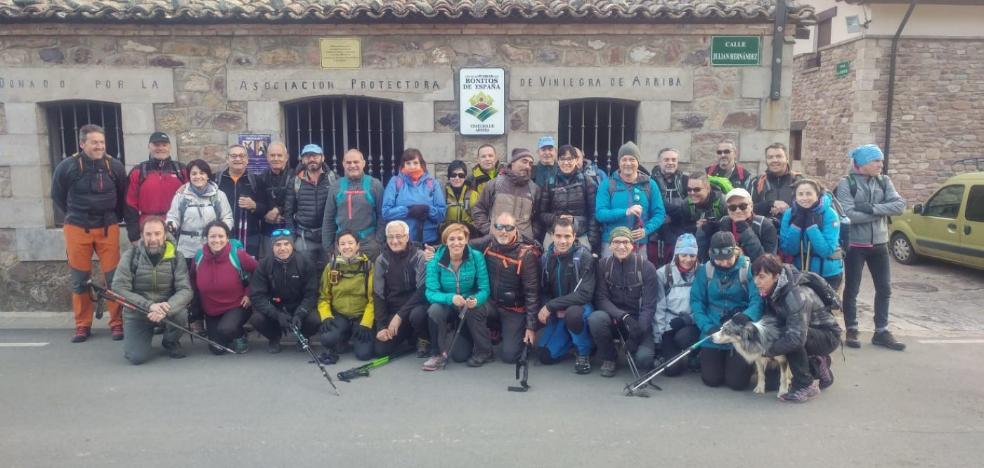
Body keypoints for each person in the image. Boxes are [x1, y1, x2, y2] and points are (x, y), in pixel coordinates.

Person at [50, 124, 128, 342]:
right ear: (82, 143)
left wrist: (115, 217)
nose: (99, 146)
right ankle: (82, 324)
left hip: (107, 227)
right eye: (94, 142)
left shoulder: (115, 166)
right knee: (80, 279)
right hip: (77, 227)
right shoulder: (67, 166)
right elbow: (57, 195)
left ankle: (117, 323)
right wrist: (75, 214)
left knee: (114, 278)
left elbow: (123, 196)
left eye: (102, 142)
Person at [835, 144, 907, 351]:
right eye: (876, 161)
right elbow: (848, 214)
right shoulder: (846, 183)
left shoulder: (885, 181)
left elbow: (900, 205)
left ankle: (881, 331)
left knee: (884, 288)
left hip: (880, 243)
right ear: (862, 163)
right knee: (852, 289)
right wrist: (881, 212)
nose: (880, 165)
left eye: (881, 161)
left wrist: (872, 208)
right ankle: (852, 329)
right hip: (855, 245)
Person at [752, 254, 842, 403]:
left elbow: (796, 338)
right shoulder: (775, 288)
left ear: (775, 276)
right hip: (809, 331)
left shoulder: (794, 295)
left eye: (762, 277)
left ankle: (805, 385)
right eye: (755, 276)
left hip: (827, 335)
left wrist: (765, 350)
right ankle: (819, 364)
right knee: (787, 336)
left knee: (791, 338)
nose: (756, 282)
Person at [111, 216, 193, 364]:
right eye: (148, 234)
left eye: (157, 233)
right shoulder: (130, 256)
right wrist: (149, 306)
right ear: (142, 235)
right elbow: (118, 287)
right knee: (136, 358)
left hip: (166, 309)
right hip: (138, 311)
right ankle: (144, 334)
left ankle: (170, 341)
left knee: (181, 313)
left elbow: (185, 290)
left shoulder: (176, 256)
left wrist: (166, 308)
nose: (153, 238)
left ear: (165, 235)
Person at [691, 231, 763, 390]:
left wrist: (747, 315)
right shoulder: (705, 270)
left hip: (739, 329)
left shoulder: (747, 269)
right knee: (712, 380)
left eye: (728, 259)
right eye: (719, 260)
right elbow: (696, 302)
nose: (723, 263)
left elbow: (757, 299)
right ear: (711, 254)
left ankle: (747, 365)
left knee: (737, 384)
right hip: (713, 327)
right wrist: (707, 327)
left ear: (735, 251)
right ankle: (709, 357)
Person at [466, 212, 540, 366]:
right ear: (493, 228)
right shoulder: (488, 242)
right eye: (499, 226)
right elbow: (461, 245)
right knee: (472, 307)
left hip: (514, 310)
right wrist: (434, 250)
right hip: (491, 303)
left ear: (516, 229)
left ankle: (505, 333)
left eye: (508, 227)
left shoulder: (526, 254)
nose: (503, 231)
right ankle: (484, 351)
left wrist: (530, 327)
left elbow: (532, 293)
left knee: (510, 357)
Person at [590, 227, 659, 377]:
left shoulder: (647, 267)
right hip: (614, 317)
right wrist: (622, 316)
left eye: (625, 242)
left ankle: (642, 351)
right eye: (616, 242)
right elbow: (601, 298)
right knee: (595, 319)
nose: (621, 246)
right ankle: (609, 357)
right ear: (610, 245)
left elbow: (649, 305)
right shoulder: (603, 265)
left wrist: (637, 332)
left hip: (638, 321)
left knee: (644, 360)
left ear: (633, 244)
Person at [423, 223, 490, 371]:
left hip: (467, 306)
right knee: (434, 310)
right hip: (448, 304)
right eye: (451, 239)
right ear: (445, 241)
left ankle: (477, 345)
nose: (456, 243)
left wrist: (476, 299)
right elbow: (430, 292)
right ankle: (437, 352)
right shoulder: (435, 260)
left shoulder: (477, 257)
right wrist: (451, 298)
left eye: (460, 238)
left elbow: (484, 289)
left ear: (466, 240)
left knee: (460, 356)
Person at [536, 218, 596, 373]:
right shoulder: (546, 257)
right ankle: (574, 341)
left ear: (574, 236)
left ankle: (584, 352)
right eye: (559, 236)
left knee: (573, 315)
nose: (563, 241)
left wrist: (552, 305)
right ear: (552, 236)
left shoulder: (584, 257)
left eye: (567, 236)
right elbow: (543, 290)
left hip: (579, 309)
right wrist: (551, 307)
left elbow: (585, 294)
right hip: (558, 312)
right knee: (544, 355)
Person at [191, 220, 259, 354]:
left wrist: (249, 293)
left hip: (237, 306)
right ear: (207, 238)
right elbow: (192, 279)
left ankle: (240, 335)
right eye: (212, 236)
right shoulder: (199, 256)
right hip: (211, 310)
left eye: (221, 236)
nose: (217, 240)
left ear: (227, 238)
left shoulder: (237, 254)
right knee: (217, 350)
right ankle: (229, 333)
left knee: (226, 328)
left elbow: (259, 271)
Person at [248, 229, 320, 353]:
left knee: (316, 319)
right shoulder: (264, 265)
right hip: (276, 308)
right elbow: (257, 296)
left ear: (292, 245)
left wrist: (300, 313)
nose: (282, 248)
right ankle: (274, 337)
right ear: (272, 247)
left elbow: (312, 293)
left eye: (286, 244)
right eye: (278, 245)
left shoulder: (305, 262)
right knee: (256, 319)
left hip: (299, 306)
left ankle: (304, 336)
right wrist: (276, 314)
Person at [594, 141, 666, 260]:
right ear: (619, 162)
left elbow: (660, 214)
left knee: (637, 277)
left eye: (632, 159)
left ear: (638, 162)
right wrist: (625, 211)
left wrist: (646, 230)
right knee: (609, 276)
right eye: (624, 159)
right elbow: (600, 214)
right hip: (612, 243)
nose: (628, 163)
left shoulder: (649, 184)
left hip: (638, 243)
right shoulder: (607, 184)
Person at [373, 221, 433, 358]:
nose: (394, 241)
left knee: (417, 316)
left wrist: (399, 316)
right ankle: (408, 335)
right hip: (393, 310)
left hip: (415, 308)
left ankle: (423, 338)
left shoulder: (419, 256)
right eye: (390, 237)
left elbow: (421, 291)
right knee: (381, 350)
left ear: (407, 237)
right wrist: (381, 326)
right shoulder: (381, 260)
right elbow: (378, 294)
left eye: (399, 236)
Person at [317, 231, 376, 362]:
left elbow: (373, 299)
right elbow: (323, 297)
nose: (346, 247)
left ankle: (354, 335)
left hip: (361, 315)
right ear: (338, 247)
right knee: (327, 339)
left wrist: (366, 322)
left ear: (357, 246)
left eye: (350, 243)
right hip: (340, 314)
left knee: (364, 355)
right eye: (342, 244)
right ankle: (344, 336)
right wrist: (326, 316)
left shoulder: (368, 267)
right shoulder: (331, 266)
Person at [779, 179, 844, 289]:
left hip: (827, 274)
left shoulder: (830, 214)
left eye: (809, 194)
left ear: (818, 195)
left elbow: (826, 251)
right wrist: (796, 225)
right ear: (795, 196)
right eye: (800, 194)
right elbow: (788, 249)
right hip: (799, 273)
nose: (804, 198)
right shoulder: (790, 214)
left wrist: (811, 227)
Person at [124, 132, 187, 243]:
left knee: (176, 260)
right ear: (149, 146)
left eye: (164, 145)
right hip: (148, 227)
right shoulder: (138, 172)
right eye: (156, 145)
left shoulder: (182, 170)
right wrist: (133, 234)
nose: (160, 148)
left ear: (170, 147)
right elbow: (130, 205)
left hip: (177, 226)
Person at [652, 234, 701, 376]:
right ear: (676, 253)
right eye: (684, 254)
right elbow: (659, 307)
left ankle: (694, 354)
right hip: (669, 323)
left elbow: (704, 304)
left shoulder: (702, 272)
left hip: (692, 323)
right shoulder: (663, 273)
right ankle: (670, 354)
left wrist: (688, 319)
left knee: (683, 337)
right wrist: (658, 337)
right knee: (671, 371)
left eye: (692, 255)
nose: (688, 259)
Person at [322, 148, 384, 261]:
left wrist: (378, 241)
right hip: (343, 245)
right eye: (348, 163)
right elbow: (328, 218)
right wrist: (328, 247)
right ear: (343, 164)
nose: (352, 165)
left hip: (368, 244)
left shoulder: (375, 185)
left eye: (356, 162)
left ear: (363, 163)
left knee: (369, 278)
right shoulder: (336, 187)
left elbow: (382, 215)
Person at [165, 159, 234, 260]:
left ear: (207, 176)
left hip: (213, 247)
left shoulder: (219, 195)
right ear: (189, 176)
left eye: (202, 173)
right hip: (187, 249)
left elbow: (227, 217)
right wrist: (171, 224)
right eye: (194, 174)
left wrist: (220, 233)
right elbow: (173, 217)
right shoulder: (181, 196)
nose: (198, 176)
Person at [537, 144, 600, 253]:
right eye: (562, 159)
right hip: (555, 235)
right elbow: (541, 213)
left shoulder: (587, 181)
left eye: (570, 159)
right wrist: (557, 219)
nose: (566, 163)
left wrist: (591, 240)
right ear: (558, 161)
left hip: (580, 235)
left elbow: (593, 213)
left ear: (576, 160)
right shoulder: (550, 182)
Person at [285, 143, 338, 268]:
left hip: (329, 236)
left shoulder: (333, 179)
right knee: (304, 273)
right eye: (308, 156)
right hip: (305, 237)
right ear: (303, 160)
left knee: (331, 273)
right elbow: (288, 211)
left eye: (315, 156)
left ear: (322, 158)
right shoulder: (295, 182)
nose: (312, 159)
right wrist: (292, 236)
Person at [472, 148, 542, 242]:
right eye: (524, 161)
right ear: (513, 163)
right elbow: (478, 210)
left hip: (524, 246)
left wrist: (531, 235)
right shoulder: (495, 184)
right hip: (496, 243)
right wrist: (489, 230)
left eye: (530, 163)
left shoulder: (534, 189)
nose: (527, 166)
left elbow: (538, 217)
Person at [382, 148, 447, 245]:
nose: (412, 166)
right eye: (408, 163)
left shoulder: (432, 183)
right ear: (403, 165)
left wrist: (427, 210)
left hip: (429, 241)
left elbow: (441, 215)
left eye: (415, 163)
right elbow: (386, 213)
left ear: (421, 164)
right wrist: (408, 211)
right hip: (402, 241)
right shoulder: (395, 182)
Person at [697, 188, 777, 263]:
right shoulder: (724, 222)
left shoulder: (765, 225)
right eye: (732, 207)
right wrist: (704, 234)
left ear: (751, 206)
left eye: (743, 206)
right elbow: (707, 257)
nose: (738, 211)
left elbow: (767, 263)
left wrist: (746, 232)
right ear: (728, 210)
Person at [215, 144, 268, 257]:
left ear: (247, 160)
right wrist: (184, 187)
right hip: (221, 234)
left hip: (250, 235)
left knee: (248, 269)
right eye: (234, 156)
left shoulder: (256, 180)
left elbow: (265, 208)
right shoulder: (216, 180)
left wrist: (254, 206)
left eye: (241, 156)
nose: (238, 159)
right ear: (227, 159)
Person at [650, 148, 689, 266]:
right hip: (656, 233)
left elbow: (690, 205)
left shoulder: (685, 180)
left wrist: (673, 217)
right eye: (666, 159)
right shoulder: (651, 181)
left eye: (673, 159)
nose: (670, 162)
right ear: (659, 162)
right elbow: (655, 203)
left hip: (680, 231)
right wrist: (661, 216)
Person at [750, 143, 801, 224]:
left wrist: (788, 211)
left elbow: (812, 207)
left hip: (794, 232)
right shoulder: (756, 182)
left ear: (787, 159)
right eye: (770, 157)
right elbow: (747, 208)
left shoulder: (799, 181)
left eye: (779, 156)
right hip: (763, 232)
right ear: (766, 160)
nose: (774, 160)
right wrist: (770, 204)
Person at [682, 172, 727, 261]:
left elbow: (730, 229)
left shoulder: (723, 202)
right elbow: (683, 228)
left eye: (697, 189)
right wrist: (695, 226)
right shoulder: (686, 204)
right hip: (697, 244)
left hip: (721, 243)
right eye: (689, 189)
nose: (692, 193)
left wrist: (712, 225)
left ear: (708, 188)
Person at [258, 142, 292, 259]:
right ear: (267, 157)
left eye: (279, 155)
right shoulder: (260, 178)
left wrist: (278, 210)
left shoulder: (295, 176)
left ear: (286, 157)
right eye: (272, 155)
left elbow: (297, 201)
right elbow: (259, 202)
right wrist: (266, 215)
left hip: (289, 231)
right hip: (267, 231)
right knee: (268, 266)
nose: (276, 158)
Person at [441, 160, 480, 237]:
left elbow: (479, 217)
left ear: (465, 177)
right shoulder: (442, 194)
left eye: (461, 175)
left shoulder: (473, 195)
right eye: (453, 175)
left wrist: (471, 227)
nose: (457, 178)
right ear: (449, 177)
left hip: (468, 235)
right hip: (447, 235)